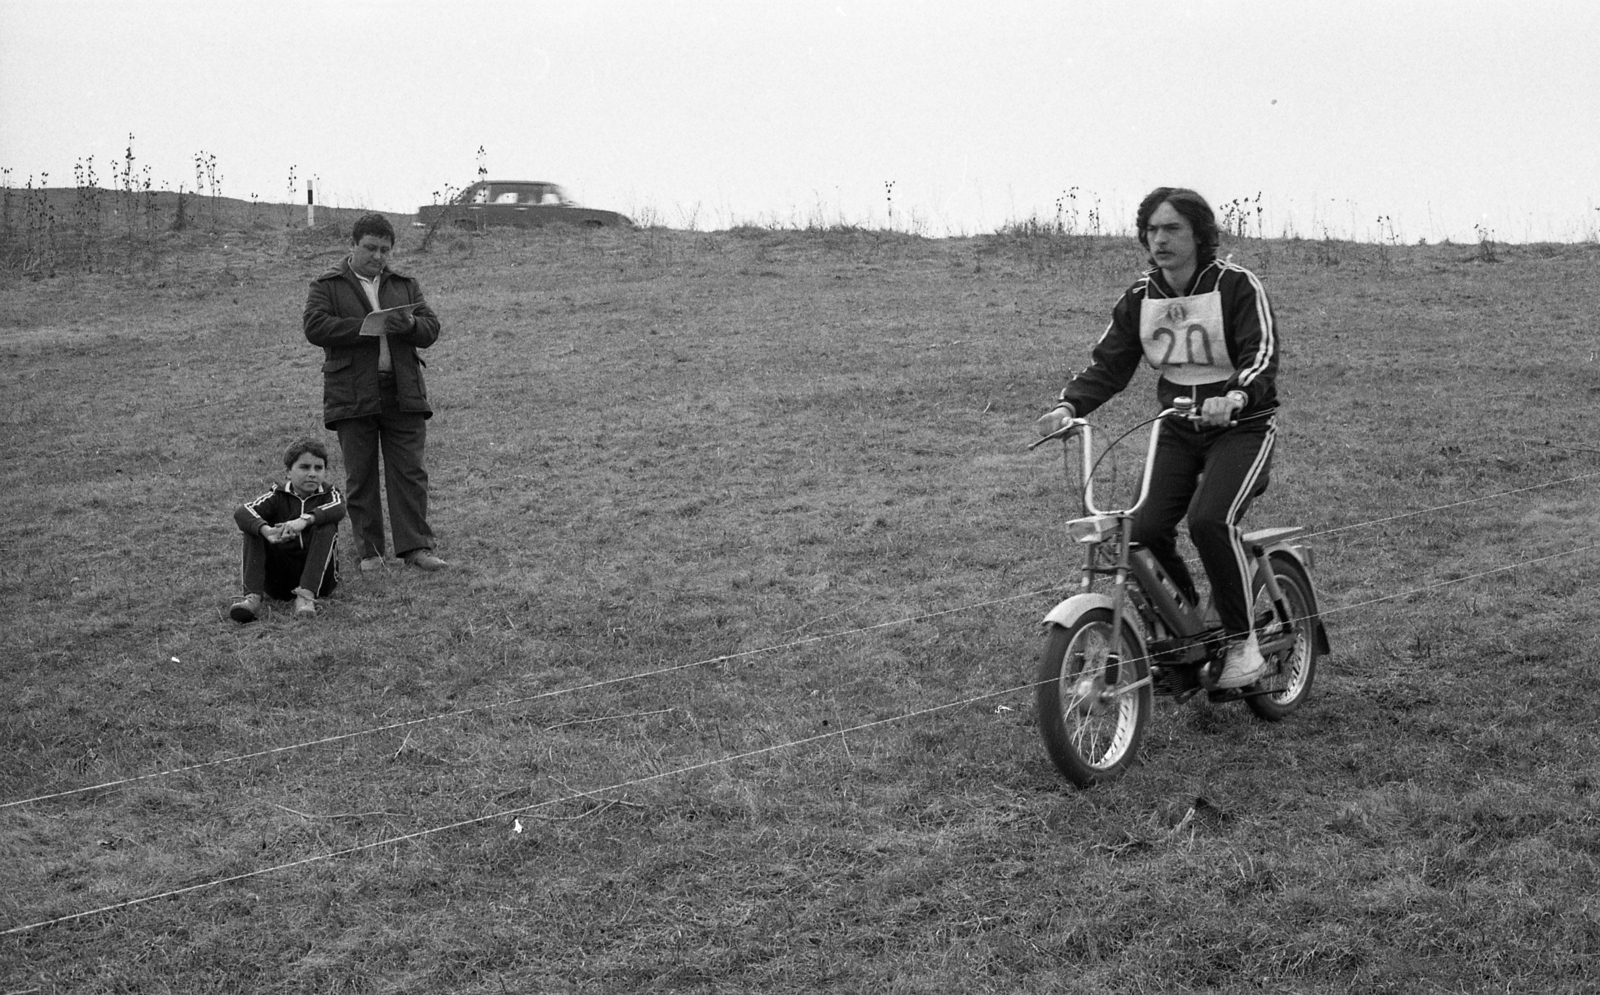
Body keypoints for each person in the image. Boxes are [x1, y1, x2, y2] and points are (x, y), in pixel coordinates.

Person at [1036, 187, 1280, 689]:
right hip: (1177, 426)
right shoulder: (1141, 297)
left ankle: (1243, 643)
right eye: (1151, 230)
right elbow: (1109, 365)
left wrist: (1235, 396)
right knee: (1141, 531)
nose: (1160, 239)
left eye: (1172, 228)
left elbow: (1261, 355)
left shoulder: (1236, 285)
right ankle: (1187, 631)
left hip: (1242, 427)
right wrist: (1068, 407)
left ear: (1199, 234)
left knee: (1209, 520)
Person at [303, 212, 448, 573]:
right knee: (361, 475)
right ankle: (370, 553)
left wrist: (410, 324)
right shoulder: (327, 285)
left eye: (385, 250)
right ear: (352, 245)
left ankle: (416, 548)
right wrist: (366, 327)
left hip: (403, 392)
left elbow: (431, 328)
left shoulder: (405, 285)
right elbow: (315, 326)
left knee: (410, 473)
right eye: (370, 248)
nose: (378, 256)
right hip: (352, 393)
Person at [230, 439, 347, 622]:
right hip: (279, 581)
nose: (312, 474)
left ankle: (306, 596)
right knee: (253, 527)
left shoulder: (330, 494)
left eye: (318, 468)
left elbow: (339, 508)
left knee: (326, 524)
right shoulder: (277, 496)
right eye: (304, 467)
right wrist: (266, 531)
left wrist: (304, 520)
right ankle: (252, 597)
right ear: (288, 472)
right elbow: (242, 512)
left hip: (321, 581)